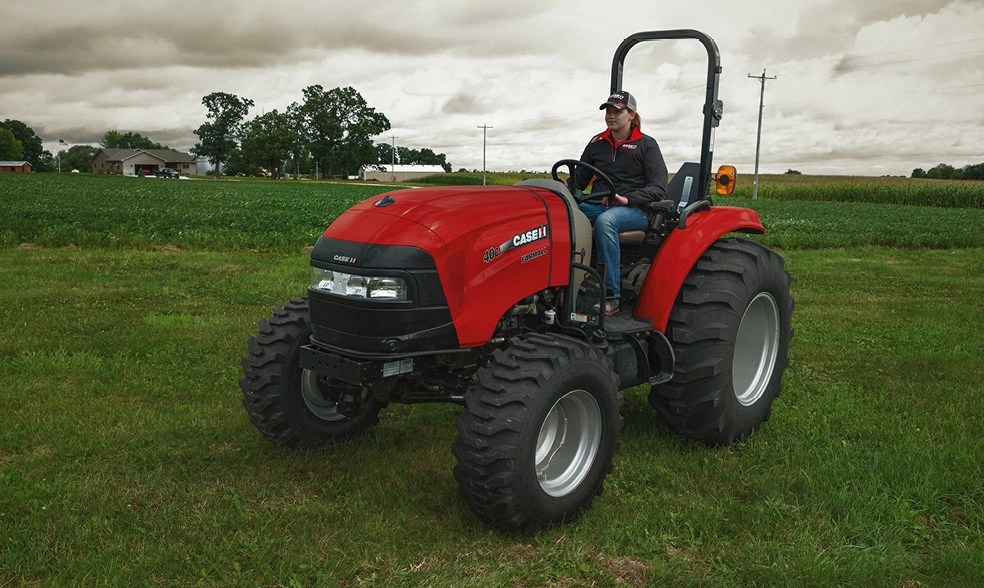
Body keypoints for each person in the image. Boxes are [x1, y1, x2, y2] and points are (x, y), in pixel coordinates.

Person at [575, 90, 668, 316]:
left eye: (617, 111)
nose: (611, 115)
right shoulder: (597, 143)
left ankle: (611, 296)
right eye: (608, 111)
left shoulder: (646, 145)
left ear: (631, 115)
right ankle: (568, 284)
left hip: (634, 210)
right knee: (562, 214)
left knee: (607, 221)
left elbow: (659, 188)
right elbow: (579, 179)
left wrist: (628, 199)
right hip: (598, 205)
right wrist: (565, 184)